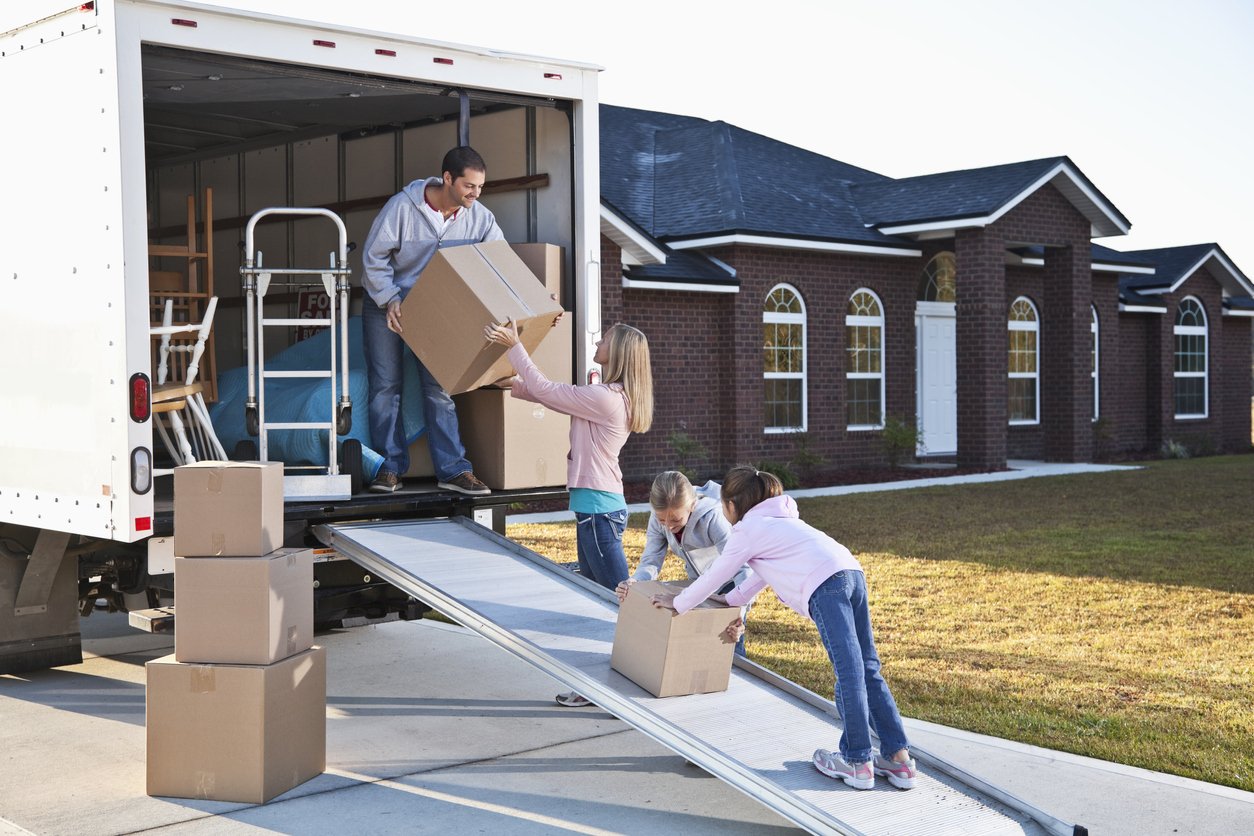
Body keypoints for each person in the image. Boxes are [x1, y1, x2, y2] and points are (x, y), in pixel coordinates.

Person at [650, 465, 920, 791]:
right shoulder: (783, 522)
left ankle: (857, 761)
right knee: (867, 668)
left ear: (733, 505)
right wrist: (732, 600)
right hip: (851, 573)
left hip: (826, 585)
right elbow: (762, 575)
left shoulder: (748, 531)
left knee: (849, 672)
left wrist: (678, 603)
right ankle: (899, 759)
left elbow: (715, 575)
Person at [484, 320, 653, 709]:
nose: (598, 340)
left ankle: (633, 689)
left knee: (619, 604)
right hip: (594, 510)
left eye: (605, 339)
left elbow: (548, 390)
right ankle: (598, 687)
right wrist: (506, 384)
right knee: (597, 603)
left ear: (620, 352)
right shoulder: (609, 396)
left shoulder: (607, 397)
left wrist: (515, 346)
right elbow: (547, 395)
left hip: (598, 512)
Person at [360, 146, 501, 495]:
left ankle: (453, 470)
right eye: (469, 186)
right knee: (385, 387)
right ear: (448, 179)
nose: (476, 194)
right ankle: (388, 468)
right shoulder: (402, 208)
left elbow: (499, 264)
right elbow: (372, 257)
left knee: (440, 389)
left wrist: (537, 297)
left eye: (480, 187)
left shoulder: (479, 217)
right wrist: (389, 298)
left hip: (436, 309)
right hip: (387, 302)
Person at [617, 471, 755, 657]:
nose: (668, 526)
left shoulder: (713, 518)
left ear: (692, 505)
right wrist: (635, 582)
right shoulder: (659, 520)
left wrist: (740, 610)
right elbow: (651, 561)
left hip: (730, 585)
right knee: (700, 646)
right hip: (698, 584)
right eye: (662, 520)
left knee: (729, 647)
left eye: (675, 520)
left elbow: (742, 568)